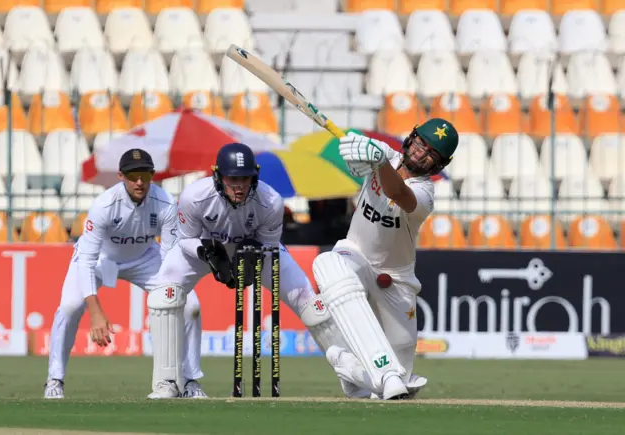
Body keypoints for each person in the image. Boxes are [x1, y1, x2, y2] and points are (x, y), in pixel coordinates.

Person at [150, 142, 346, 398]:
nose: (239, 186)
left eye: (245, 178)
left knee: (307, 298)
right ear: (217, 176)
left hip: (255, 251)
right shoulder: (194, 196)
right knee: (166, 294)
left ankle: (352, 374)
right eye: (233, 178)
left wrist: (252, 261)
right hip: (204, 247)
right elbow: (184, 240)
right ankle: (168, 382)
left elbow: (270, 245)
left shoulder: (271, 201)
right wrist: (206, 251)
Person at [312, 118, 459, 400]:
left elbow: (397, 192)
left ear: (438, 165)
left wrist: (378, 163)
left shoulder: (425, 194)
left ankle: (349, 367)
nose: (420, 153)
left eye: (431, 153)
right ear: (410, 138)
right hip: (354, 255)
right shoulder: (385, 155)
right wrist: (357, 151)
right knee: (330, 265)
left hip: (397, 282)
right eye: (420, 143)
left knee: (401, 377)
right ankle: (379, 373)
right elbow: (356, 152)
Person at [43, 149, 205, 400]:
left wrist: (167, 296)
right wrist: (95, 312)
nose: (139, 182)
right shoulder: (104, 205)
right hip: (100, 259)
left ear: (153, 175)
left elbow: (170, 255)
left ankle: (191, 380)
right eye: (132, 175)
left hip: (145, 258)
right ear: (121, 176)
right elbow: (86, 260)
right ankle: (55, 380)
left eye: (144, 174)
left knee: (190, 305)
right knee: (70, 306)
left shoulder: (164, 203)